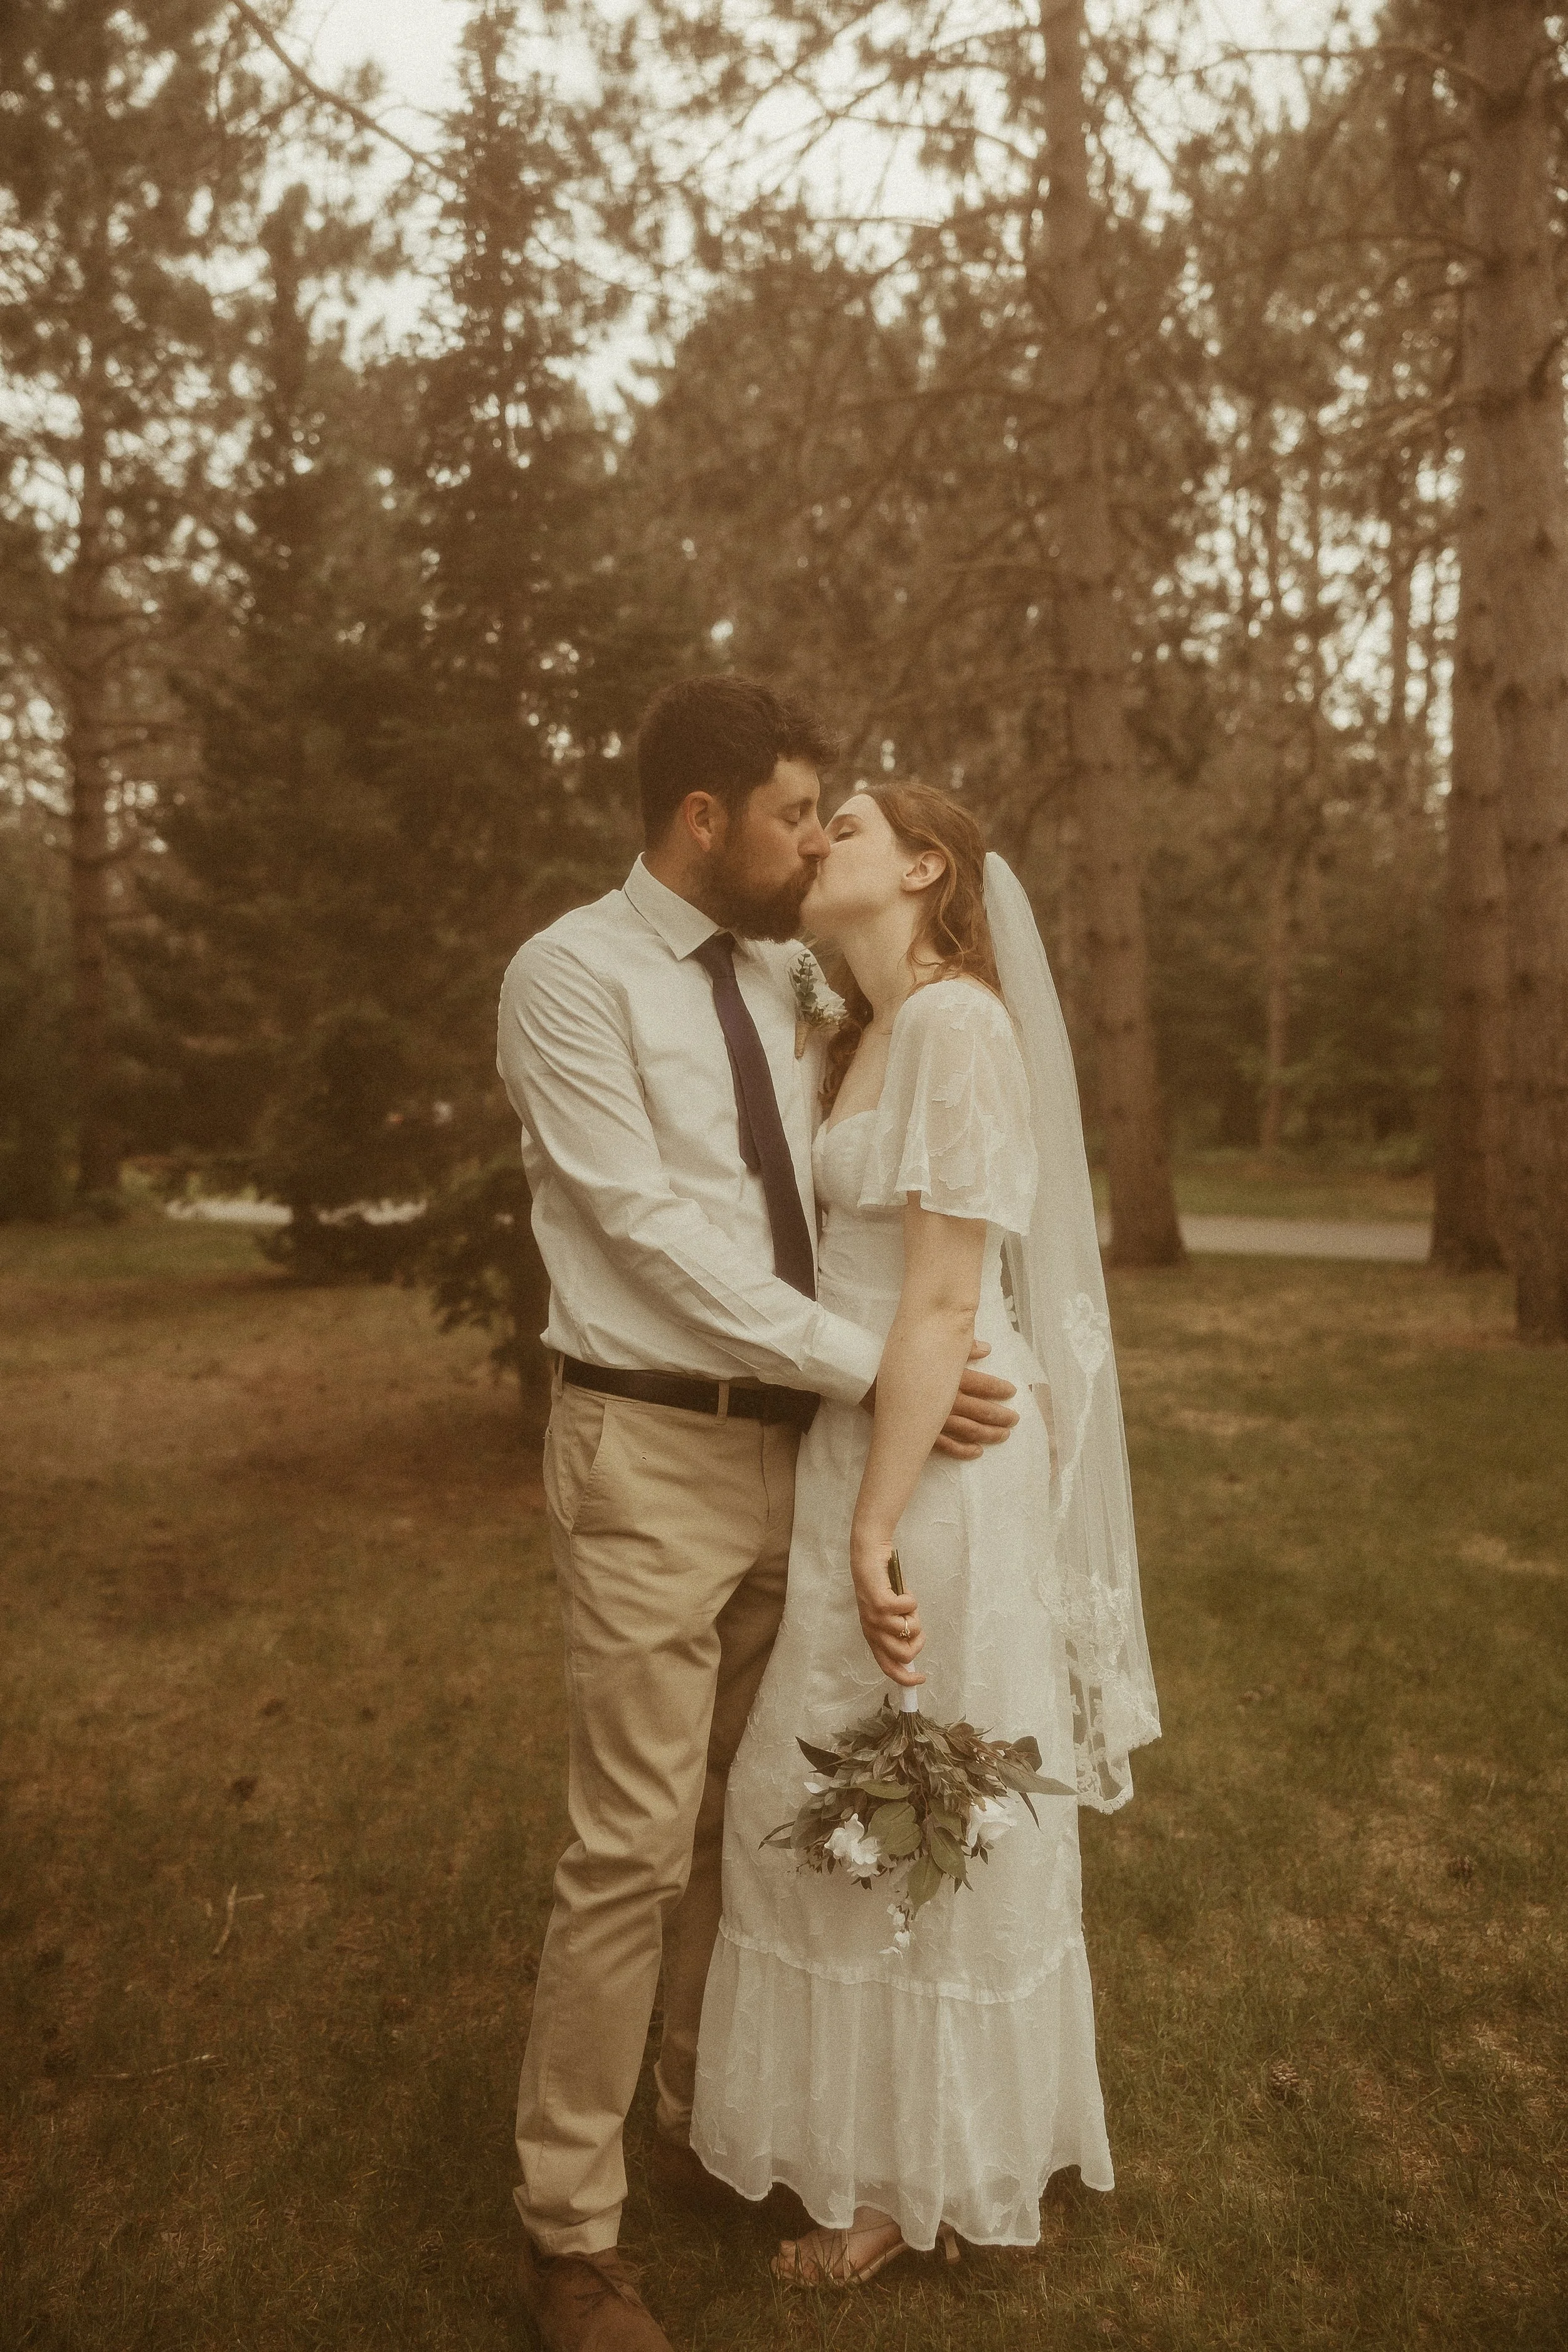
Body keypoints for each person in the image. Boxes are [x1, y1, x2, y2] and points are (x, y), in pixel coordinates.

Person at [495, 679, 1020, 2352]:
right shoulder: (568, 977)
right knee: (630, 1843)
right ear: (704, 815)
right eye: (796, 811)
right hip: (648, 1450)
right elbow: (651, 1232)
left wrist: (895, 1377)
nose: (814, 839)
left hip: (788, 1460)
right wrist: (879, 1368)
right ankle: (571, 2232)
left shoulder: (794, 975)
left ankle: (698, 2109)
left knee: (749, 1811)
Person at [690, 782, 1161, 2281]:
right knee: (816, 1788)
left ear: (924, 864)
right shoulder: (852, 1030)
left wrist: (878, 1524)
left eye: (842, 818)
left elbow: (947, 1299)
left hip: (937, 1464)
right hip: (861, 1435)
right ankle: (848, 2137)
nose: (813, 837)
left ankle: (913, 2178)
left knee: (919, 1778)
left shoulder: (958, 1025)